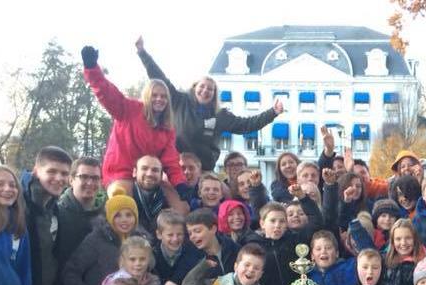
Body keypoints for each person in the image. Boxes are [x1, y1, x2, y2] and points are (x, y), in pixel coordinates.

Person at [136, 36, 282, 172]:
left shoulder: (220, 115)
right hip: (175, 165)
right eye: (202, 87)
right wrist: (143, 53)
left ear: (214, 94)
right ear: (194, 88)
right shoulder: (180, 101)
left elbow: (248, 125)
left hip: (203, 169)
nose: (205, 91)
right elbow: (159, 77)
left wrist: (272, 112)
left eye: (210, 89)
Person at [80, 46, 185, 195]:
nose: (159, 99)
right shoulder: (129, 109)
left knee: (181, 206)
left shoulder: (167, 128)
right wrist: (92, 68)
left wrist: (180, 183)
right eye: (155, 95)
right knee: (122, 201)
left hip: (149, 176)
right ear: (147, 96)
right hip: (121, 172)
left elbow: (171, 160)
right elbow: (107, 93)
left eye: (163, 97)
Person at [19, 146, 71, 285]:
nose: (58, 178)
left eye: (63, 173)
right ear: (36, 171)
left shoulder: (52, 207)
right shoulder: (20, 204)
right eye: (52, 171)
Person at [51, 156, 104, 285]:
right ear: (72, 179)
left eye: (95, 178)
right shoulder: (57, 212)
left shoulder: (102, 216)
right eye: (84, 177)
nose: (90, 183)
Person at [63, 189, 145, 285]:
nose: (124, 220)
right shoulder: (96, 240)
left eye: (129, 215)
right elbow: (70, 273)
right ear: (109, 217)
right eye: (117, 215)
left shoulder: (142, 242)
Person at [152, 210, 203, 285]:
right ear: (159, 234)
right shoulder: (152, 256)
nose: (175, 239)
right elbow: (148, 280)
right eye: (170, 235)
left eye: (179, 234)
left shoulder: (194, 254)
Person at [130, 155, 189, 235]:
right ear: (134, 172)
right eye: (144, 168)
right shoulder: (126, 196)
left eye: (155, 170)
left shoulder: (168, 198)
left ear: (161, 175)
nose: (149, 174)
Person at [186, 208, 239, 276]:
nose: (192, 236)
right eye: (190, 233)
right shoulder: (191, 258)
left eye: (197, 231)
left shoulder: (233, 248)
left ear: (213, 229)